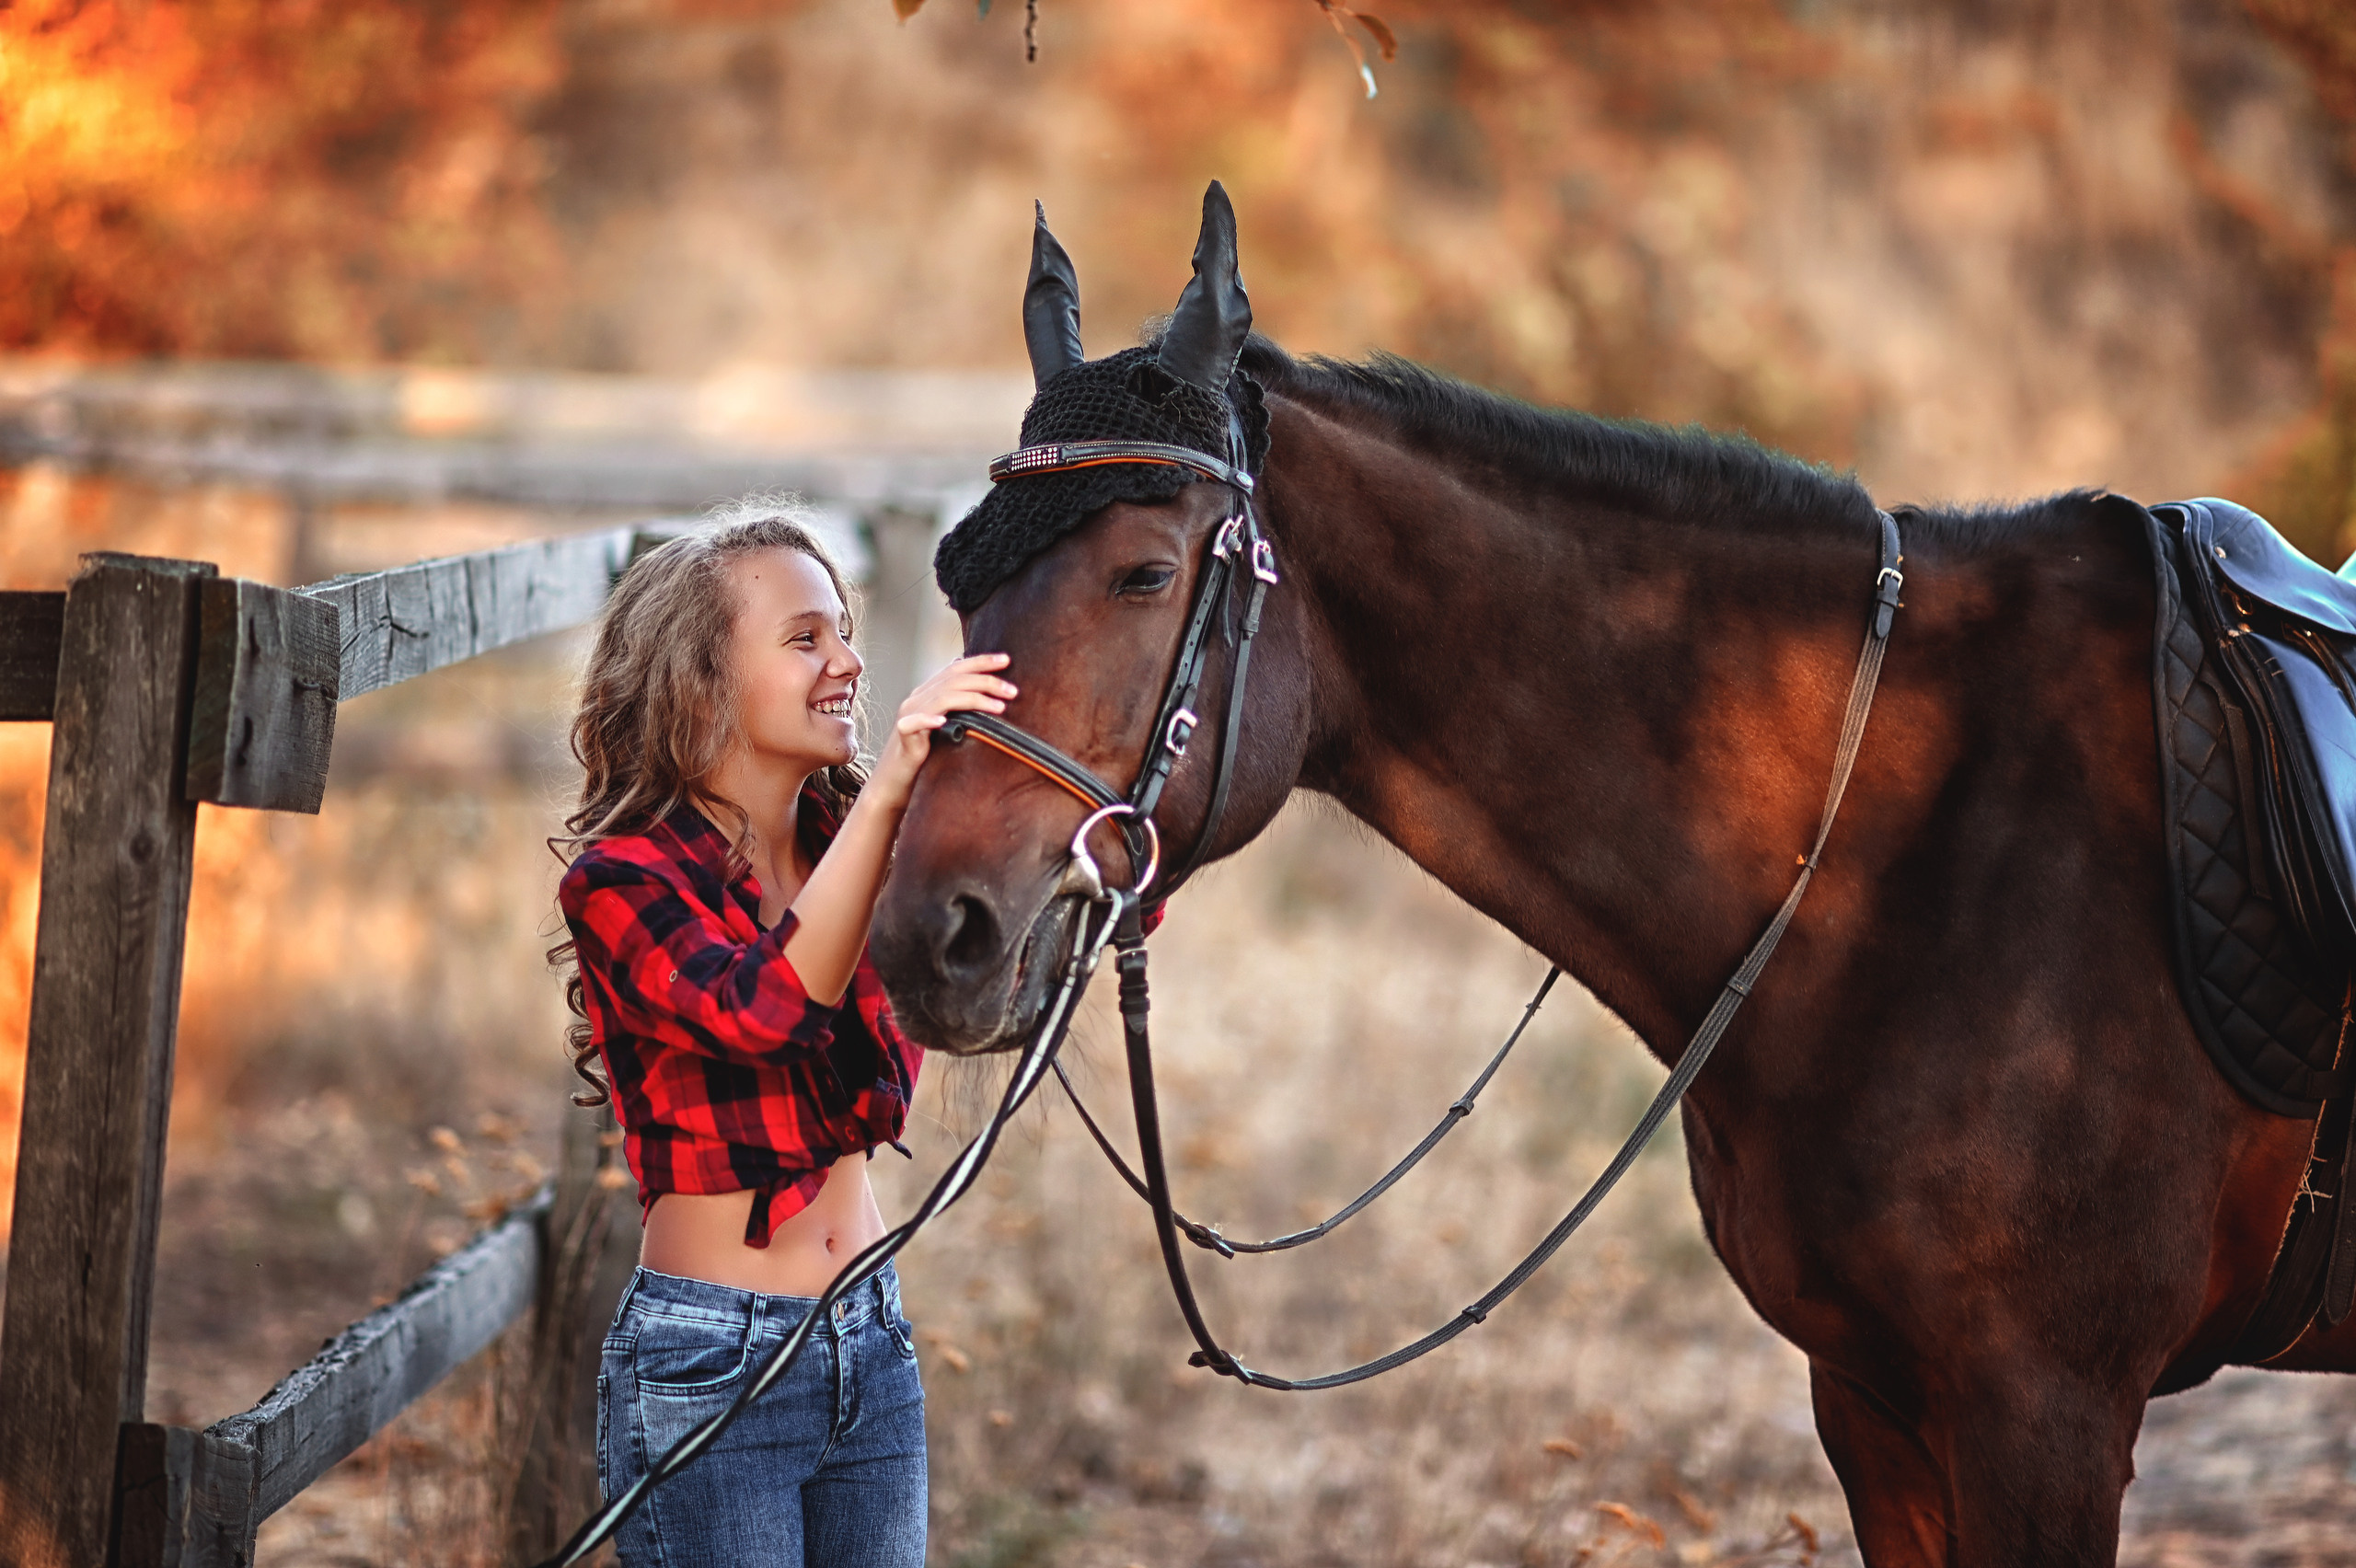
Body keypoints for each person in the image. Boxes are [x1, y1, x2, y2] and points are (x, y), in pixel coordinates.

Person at [550, 499, 1013, 1567]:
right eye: (805, 638)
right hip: (712, 1364)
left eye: (844, 629)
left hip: (870, 1340)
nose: (847, 661)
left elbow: (985, 981)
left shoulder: (854, 845)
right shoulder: (621, 883)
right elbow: (763, 1012)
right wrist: (891, 790)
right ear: (700, 680)